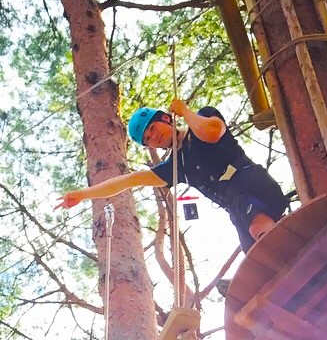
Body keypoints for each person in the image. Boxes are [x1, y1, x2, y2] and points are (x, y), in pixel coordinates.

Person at [56, 99, 289, 252]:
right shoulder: (177, 167)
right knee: (252, 252)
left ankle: (277, 245)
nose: (153, 137)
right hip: (237, 208)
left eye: (152, 128)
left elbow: (212, 132)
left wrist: (185, 111)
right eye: (147, 139)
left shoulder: (203, 118)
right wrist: (84, 194)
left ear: (166, 118)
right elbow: (128, 180)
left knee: (257, 231)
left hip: (251, 186)